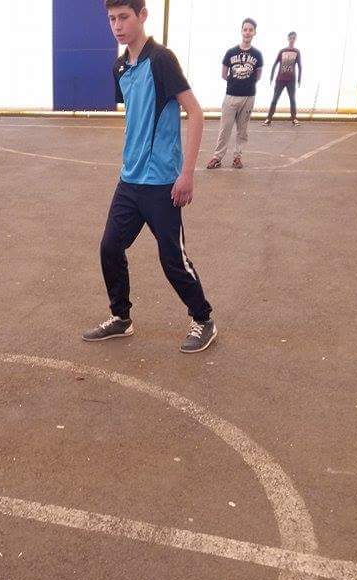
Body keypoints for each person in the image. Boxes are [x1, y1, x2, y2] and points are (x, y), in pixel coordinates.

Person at [83, 0, 216, 353]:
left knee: (172, 259)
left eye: (124, 17)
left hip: (162, 183)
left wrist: (186, 173)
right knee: (110, 247)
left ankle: (203, 319)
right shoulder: (119, 68)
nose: (117, 25)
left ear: (142, 16)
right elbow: (136, 115)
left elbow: (195, 113)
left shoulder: (161, 60)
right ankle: (121, 318)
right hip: (130, 181)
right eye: (112, 19)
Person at [207, 18, 263, 169]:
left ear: (254, 32)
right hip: (231, 95)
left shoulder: (257, 55)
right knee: (225, 129)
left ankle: (237, 157)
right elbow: (224, 74)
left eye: (250, 30)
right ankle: (217, 157)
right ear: (241, 31)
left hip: (248, 97)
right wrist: (235, 82)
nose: (247, 32)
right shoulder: (231, 52)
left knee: (242, 130)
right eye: (245, 29)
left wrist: (246, 83)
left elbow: (258, 75)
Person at [264, 32, 302, 125]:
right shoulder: (282, 51)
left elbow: (299, 66)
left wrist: (299, 79)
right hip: (280, 79)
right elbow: (275, 63)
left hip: (291, 80)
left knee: (292, 99)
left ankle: (294, 118)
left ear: (295, 39)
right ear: (288, 39)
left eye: (294, 38)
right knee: (275, 99)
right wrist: (271, 77)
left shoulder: (296, 52)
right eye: (291, 38)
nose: (292, 40)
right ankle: (269, 118)